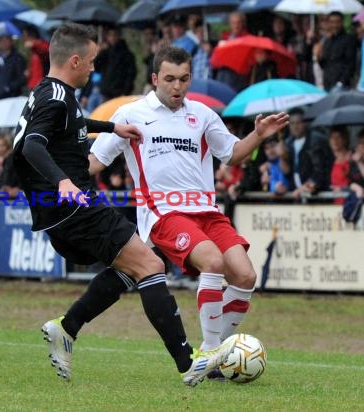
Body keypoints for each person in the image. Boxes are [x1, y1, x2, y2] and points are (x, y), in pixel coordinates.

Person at [12, 23, 235, 387]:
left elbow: (70, 126)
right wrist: (64, 181)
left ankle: (67, 328)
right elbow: (32, 145)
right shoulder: (57, 97)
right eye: (92, 61)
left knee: (131, 267)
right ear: (74, 60)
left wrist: (112, 128)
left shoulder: (46, 92)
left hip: (57, 211)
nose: (93, 68)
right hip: (74, 204)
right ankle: (188, 363)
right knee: (150, 264)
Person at [89, 46, 289, 379]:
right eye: (169, 79)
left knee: (244, 275)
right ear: (155, 79)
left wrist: (257, 135)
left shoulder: (203, 114)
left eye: (183, 79)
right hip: (164, 212)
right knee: (212, 261)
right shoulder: (129, 114)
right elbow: (95, 161)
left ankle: (217, 358)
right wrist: (59, 175)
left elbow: (233, 154)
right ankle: (210, 354)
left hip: (207, 211)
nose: (176, 87)